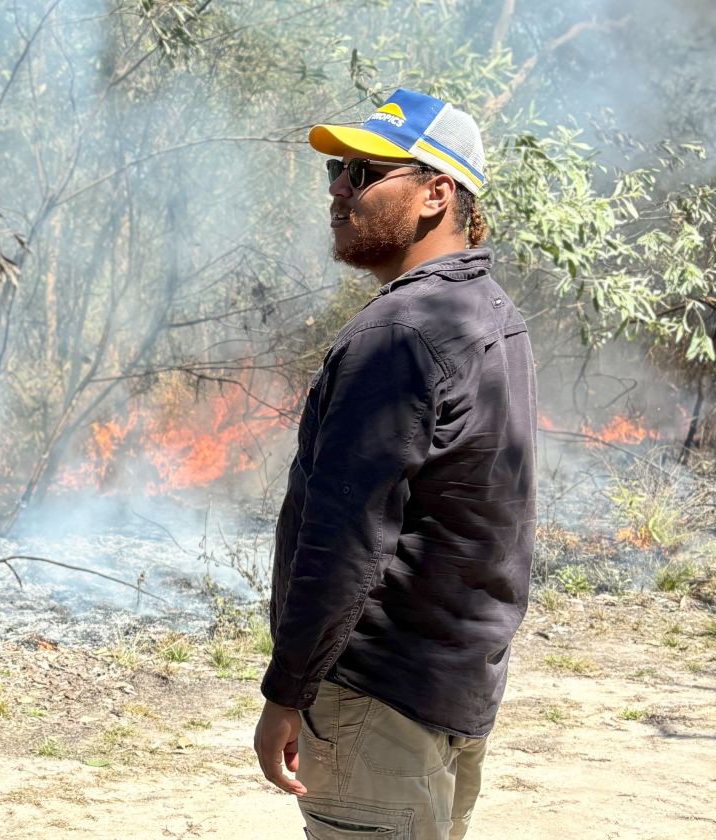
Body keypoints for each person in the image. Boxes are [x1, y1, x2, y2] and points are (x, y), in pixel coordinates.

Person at [250, 89, 536, 840]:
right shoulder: (492, 313)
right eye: (336, 172)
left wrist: (287, 690)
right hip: (451, 694)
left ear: (437, 192)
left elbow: (345, 541)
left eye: (363, 170)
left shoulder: (398, 334)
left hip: (377, 700)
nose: (339, 189)